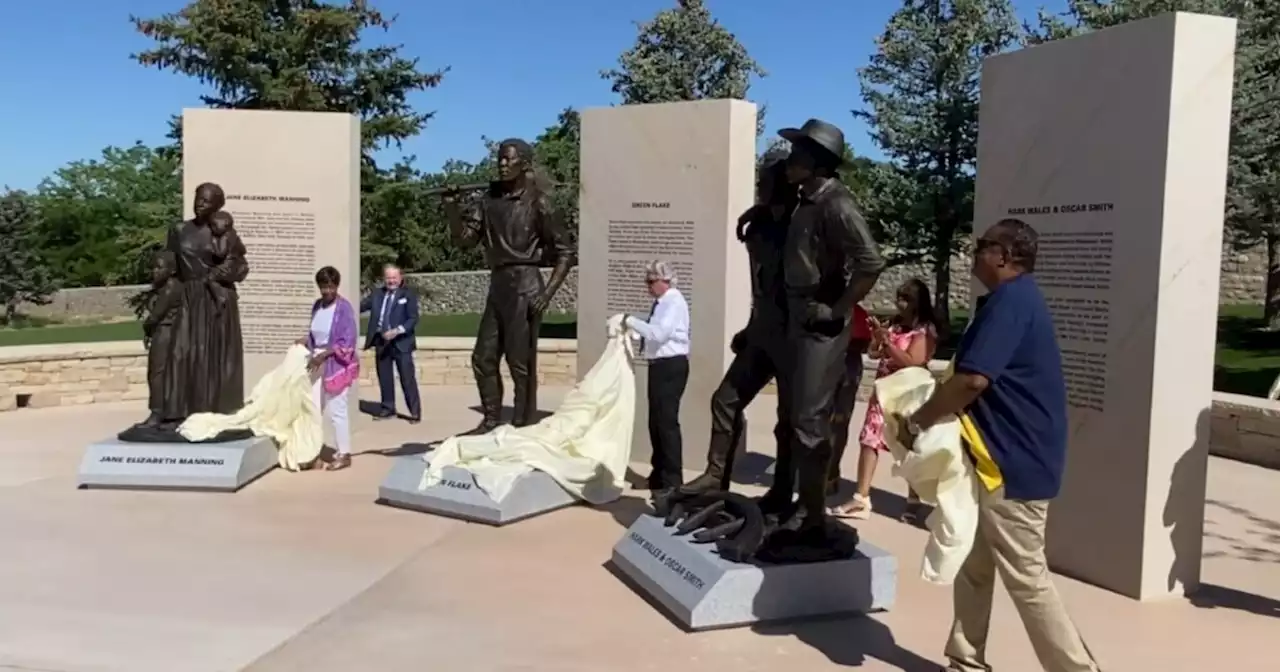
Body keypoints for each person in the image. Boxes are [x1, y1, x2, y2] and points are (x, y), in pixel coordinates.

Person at [894, 218, 1100, 672]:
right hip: (993, 460)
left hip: (1014, 463)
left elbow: (972, 379)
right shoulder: (1011, 301)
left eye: (981, 247)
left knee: (1027, 577)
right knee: (973, 562)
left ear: (1003, 256)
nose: (974, 254)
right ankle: (965, 659)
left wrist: (920, 419)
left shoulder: (1012, 301)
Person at [773, 118, 885, 536]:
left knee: (809, 421)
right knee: (793, 417)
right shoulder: (806, 199)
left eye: (798, 153)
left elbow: (870, 261)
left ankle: (814, 512)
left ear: (817, 162)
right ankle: (797, 503)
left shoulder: (837, 203)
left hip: (820, 324)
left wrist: (837, 308)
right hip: (797, 316)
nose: (789, 160)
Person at [680, 147, 797, 494]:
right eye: (761, 179)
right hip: (763, 332)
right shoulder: (759, 223)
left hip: (795, 337)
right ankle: (716, 476)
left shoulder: (804, 222)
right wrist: (751, 325)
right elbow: (760, 284)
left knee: (788, 420)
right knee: (725, 400)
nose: (762, 185)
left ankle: (782, 490)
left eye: (769, 179)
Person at [443, 138, 575, 434]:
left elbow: (566, 252)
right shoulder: (488, 201)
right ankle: (491, 420)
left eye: (509, 159)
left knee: (520, 361)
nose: (502, 164)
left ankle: (522, 424)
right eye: (500, 159)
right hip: (499, 283)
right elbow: (465, 239)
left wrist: (548, 291)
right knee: (483, 357)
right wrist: (452, 209)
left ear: (524, 163)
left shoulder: (540, 202)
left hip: (527, 284)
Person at [142, 182, 249, 430]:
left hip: (217, 298)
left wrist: (224, 273)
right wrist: (160, 299)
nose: (200, 203)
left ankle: (215, 413)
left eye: (207, 200)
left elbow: (242, 266)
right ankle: (167, 413)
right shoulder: (179, 230)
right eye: (198, 198)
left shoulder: (223, 231)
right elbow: (168, 264)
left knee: (215, 357)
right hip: (188, 297)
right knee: (179, 355)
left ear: (217, 205)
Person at [832, 279, 938, 521]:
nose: (899, 303)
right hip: (882, 391)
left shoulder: (924, 330)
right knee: (869, 439)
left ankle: (914, 499)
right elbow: (873, 353)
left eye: (905, 298)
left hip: (907, 394)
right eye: (899, 297)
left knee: (907, 445)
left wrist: (888, 343)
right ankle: (861, 497)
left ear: (917, 302)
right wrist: (879, 337)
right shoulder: (896, 325)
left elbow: (913, 361)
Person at [626, 260, 692, 494]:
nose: (648, 286)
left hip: (670, 366)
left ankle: (673, 483)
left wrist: (630, 320)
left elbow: (659, 333)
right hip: (659, 366)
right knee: (655, 423)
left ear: (665, 281)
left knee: (666, 424)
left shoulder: (673, 301)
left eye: (651, 281)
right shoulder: (662, 303)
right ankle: (658, 476)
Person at [304, 266, 361, 471]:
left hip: (335, 363)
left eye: (330, 286)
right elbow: (315, 334)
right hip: (316, 361)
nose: (327, 291)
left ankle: (344, 452)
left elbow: (348, 340)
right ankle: (312, 450)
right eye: (323, 287)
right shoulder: (317, 306)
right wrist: (305, 343)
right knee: (314, 408)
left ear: (336, 285)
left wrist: (325, 354)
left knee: (337, 409)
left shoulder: (344, 308)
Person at [361, 264, 422, 423]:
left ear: (400, 278)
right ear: (384, 278)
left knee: (407, 378)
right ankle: (388, 409)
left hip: (401, 342)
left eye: (394, 277)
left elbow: (413, 318)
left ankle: (415, 412)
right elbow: (359, 306)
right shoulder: (377, 294)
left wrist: (397, 330)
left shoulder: (407, 295)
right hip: (381, 341)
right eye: (388, 278)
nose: (391, 281)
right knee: (385, 377)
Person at [826, 303, 873, 496]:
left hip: (847, 366)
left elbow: (864, 343)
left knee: (839, 421)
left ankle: (831, 472)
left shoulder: (857, 311)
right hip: (825, 364)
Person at [141, 251, 182, 428]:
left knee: (156, 374)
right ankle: (167, 412)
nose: (154, 271)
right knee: (165, 374)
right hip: (169, 333)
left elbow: (156, 316)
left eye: (159, 267)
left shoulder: (171, 287)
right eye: (154, 267)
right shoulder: (170, 286)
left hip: (165, 333)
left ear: (171, 270)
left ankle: (157, 412)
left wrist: (147, 328)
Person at [206, 211, 243, 312]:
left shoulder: (224, 237)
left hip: (226, 265)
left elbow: (220, 253)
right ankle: (233, 292)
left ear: (225, 224)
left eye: (213, 225)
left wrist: (212, 247)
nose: (211, 228)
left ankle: (219, 297)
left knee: (210, 278)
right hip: (232, 263)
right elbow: (242, 250)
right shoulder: (233, 235)